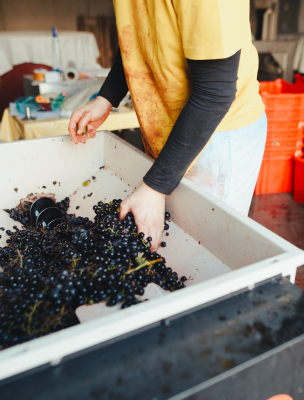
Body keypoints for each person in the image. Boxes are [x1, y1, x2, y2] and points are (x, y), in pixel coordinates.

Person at [69, 0, 266, 252]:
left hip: (214, 131)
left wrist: (155, 186)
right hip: (172, 128)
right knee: (165, 241)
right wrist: (106, 97)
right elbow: (140, 37)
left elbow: (215, 93)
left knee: (201, 254)